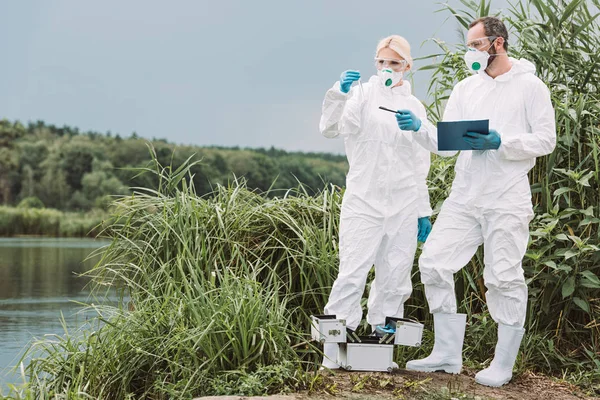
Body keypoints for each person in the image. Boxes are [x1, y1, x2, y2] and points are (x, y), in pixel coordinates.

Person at [394, 17, 556, 387]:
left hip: (507, 197)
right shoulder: (465, 88)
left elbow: (546, 140)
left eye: (476, 45)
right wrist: (420, 129)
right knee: (433, 262)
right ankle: (447, 354)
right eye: (469, 47)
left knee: (502, 277)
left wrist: (503, 142)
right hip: (465, 196)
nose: (471, 53)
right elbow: (447, 146)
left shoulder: (531, 87)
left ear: (497, 43)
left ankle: (502, 364)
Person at [318, 35, 434, 369]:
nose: (386, 68)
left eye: (394, 63)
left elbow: (418, 165)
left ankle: (379, 354)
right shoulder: (362, 95)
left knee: (395, 278)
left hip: (403, 203)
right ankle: (334, 354)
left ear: (406, 67)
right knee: (352, 272)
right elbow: (330, 128)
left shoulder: (415, 107)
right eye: (381, 61)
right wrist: (339, 92)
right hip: (364, 201)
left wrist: (422, 211)